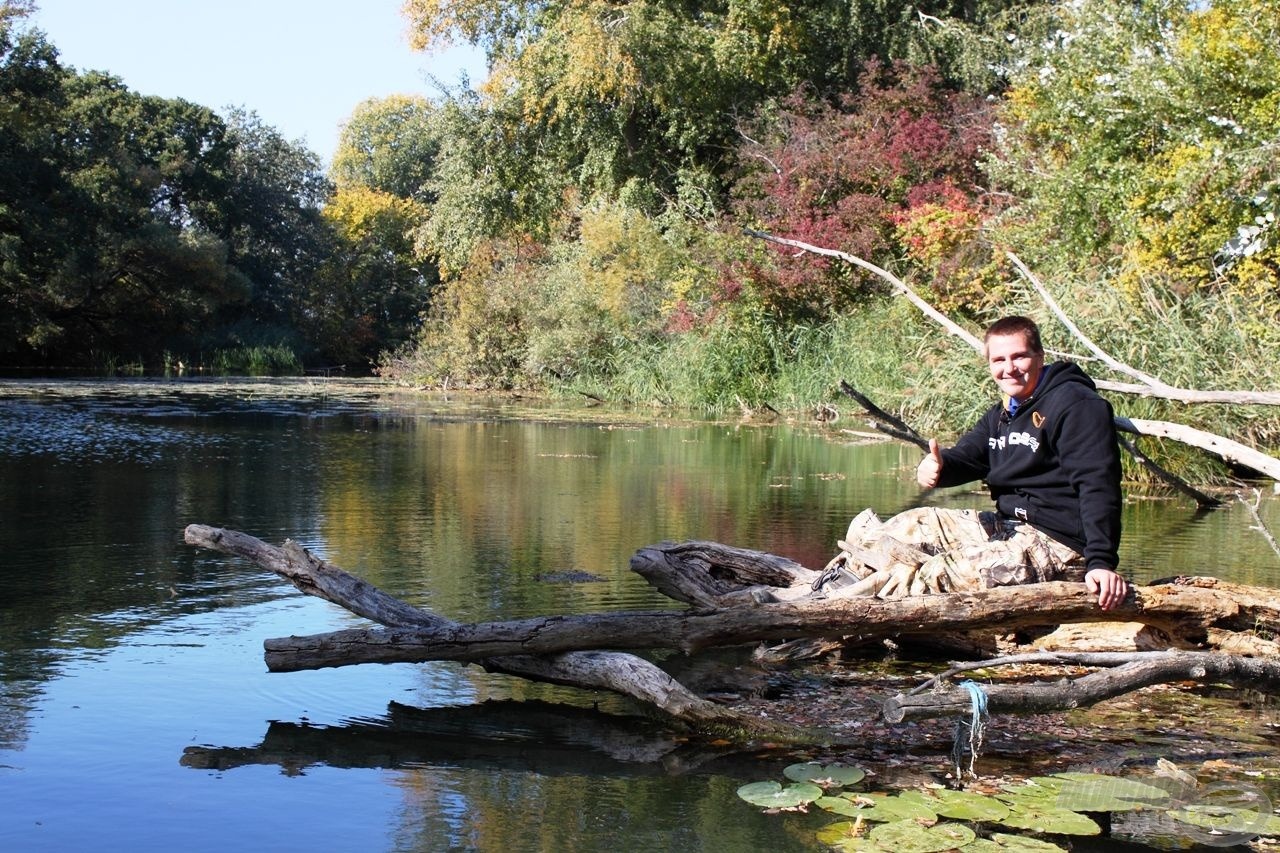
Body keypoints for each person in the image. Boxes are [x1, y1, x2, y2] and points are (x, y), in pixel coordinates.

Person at [821, 315, 1129, 610]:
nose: (1009, 368)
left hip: (1058, 543)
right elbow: (969, 456)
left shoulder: (1076, 405)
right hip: (1009, 526)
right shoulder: (1005, 411)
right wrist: (939, 468)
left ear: (1040, 356)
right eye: (998, 360)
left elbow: (1098, 484)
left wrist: (1100, 562)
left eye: (1019, 357)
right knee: (906, 525)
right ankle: (830, 592)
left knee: (935, 576)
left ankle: (847, 613)